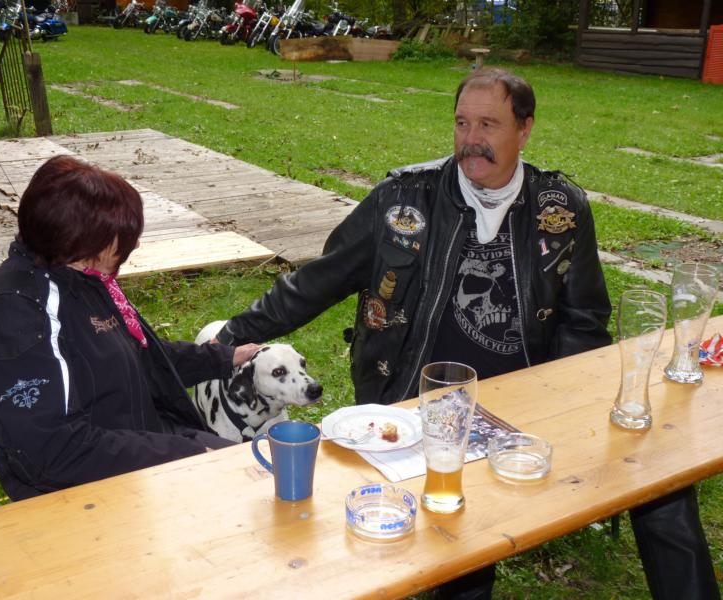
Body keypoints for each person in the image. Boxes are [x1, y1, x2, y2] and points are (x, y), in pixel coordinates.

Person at [214, 69, 719, 599]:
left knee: (663, 478)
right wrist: (228, 338)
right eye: (461, 123)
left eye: (488, 125)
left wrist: (571, 405)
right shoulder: (403, 200)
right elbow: (314, 284)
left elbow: (584, 316)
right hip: (418, 401)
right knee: (464, 547)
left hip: (529, 400)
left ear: (524, 130)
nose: (471, 139)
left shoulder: (561, 208)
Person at [0, 155, 260, 502]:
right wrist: (184, 454)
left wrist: (223, 358)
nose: (133, 244)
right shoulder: (13, 313)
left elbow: (134, 356)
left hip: (145, 453)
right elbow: (52, 452)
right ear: (83, 239)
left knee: (262, 477)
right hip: (88, 493)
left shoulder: (81, 279)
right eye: (122, 235)